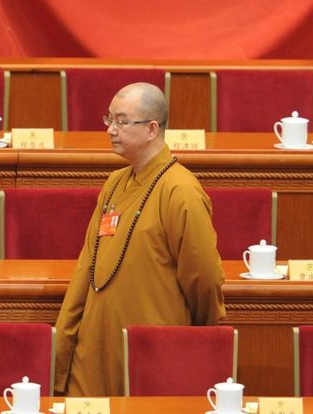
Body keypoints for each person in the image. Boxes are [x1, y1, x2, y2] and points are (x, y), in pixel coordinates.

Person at [54, 82, 226, 397]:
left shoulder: (180, 190)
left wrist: (197, 339)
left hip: (153, 351)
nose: (110, 130)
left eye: (121, 121)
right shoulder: (115, 184)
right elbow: (87, 268)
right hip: (96, 350)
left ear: (151, 129)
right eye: (108, 120)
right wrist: (67, 337)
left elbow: (203, 278)